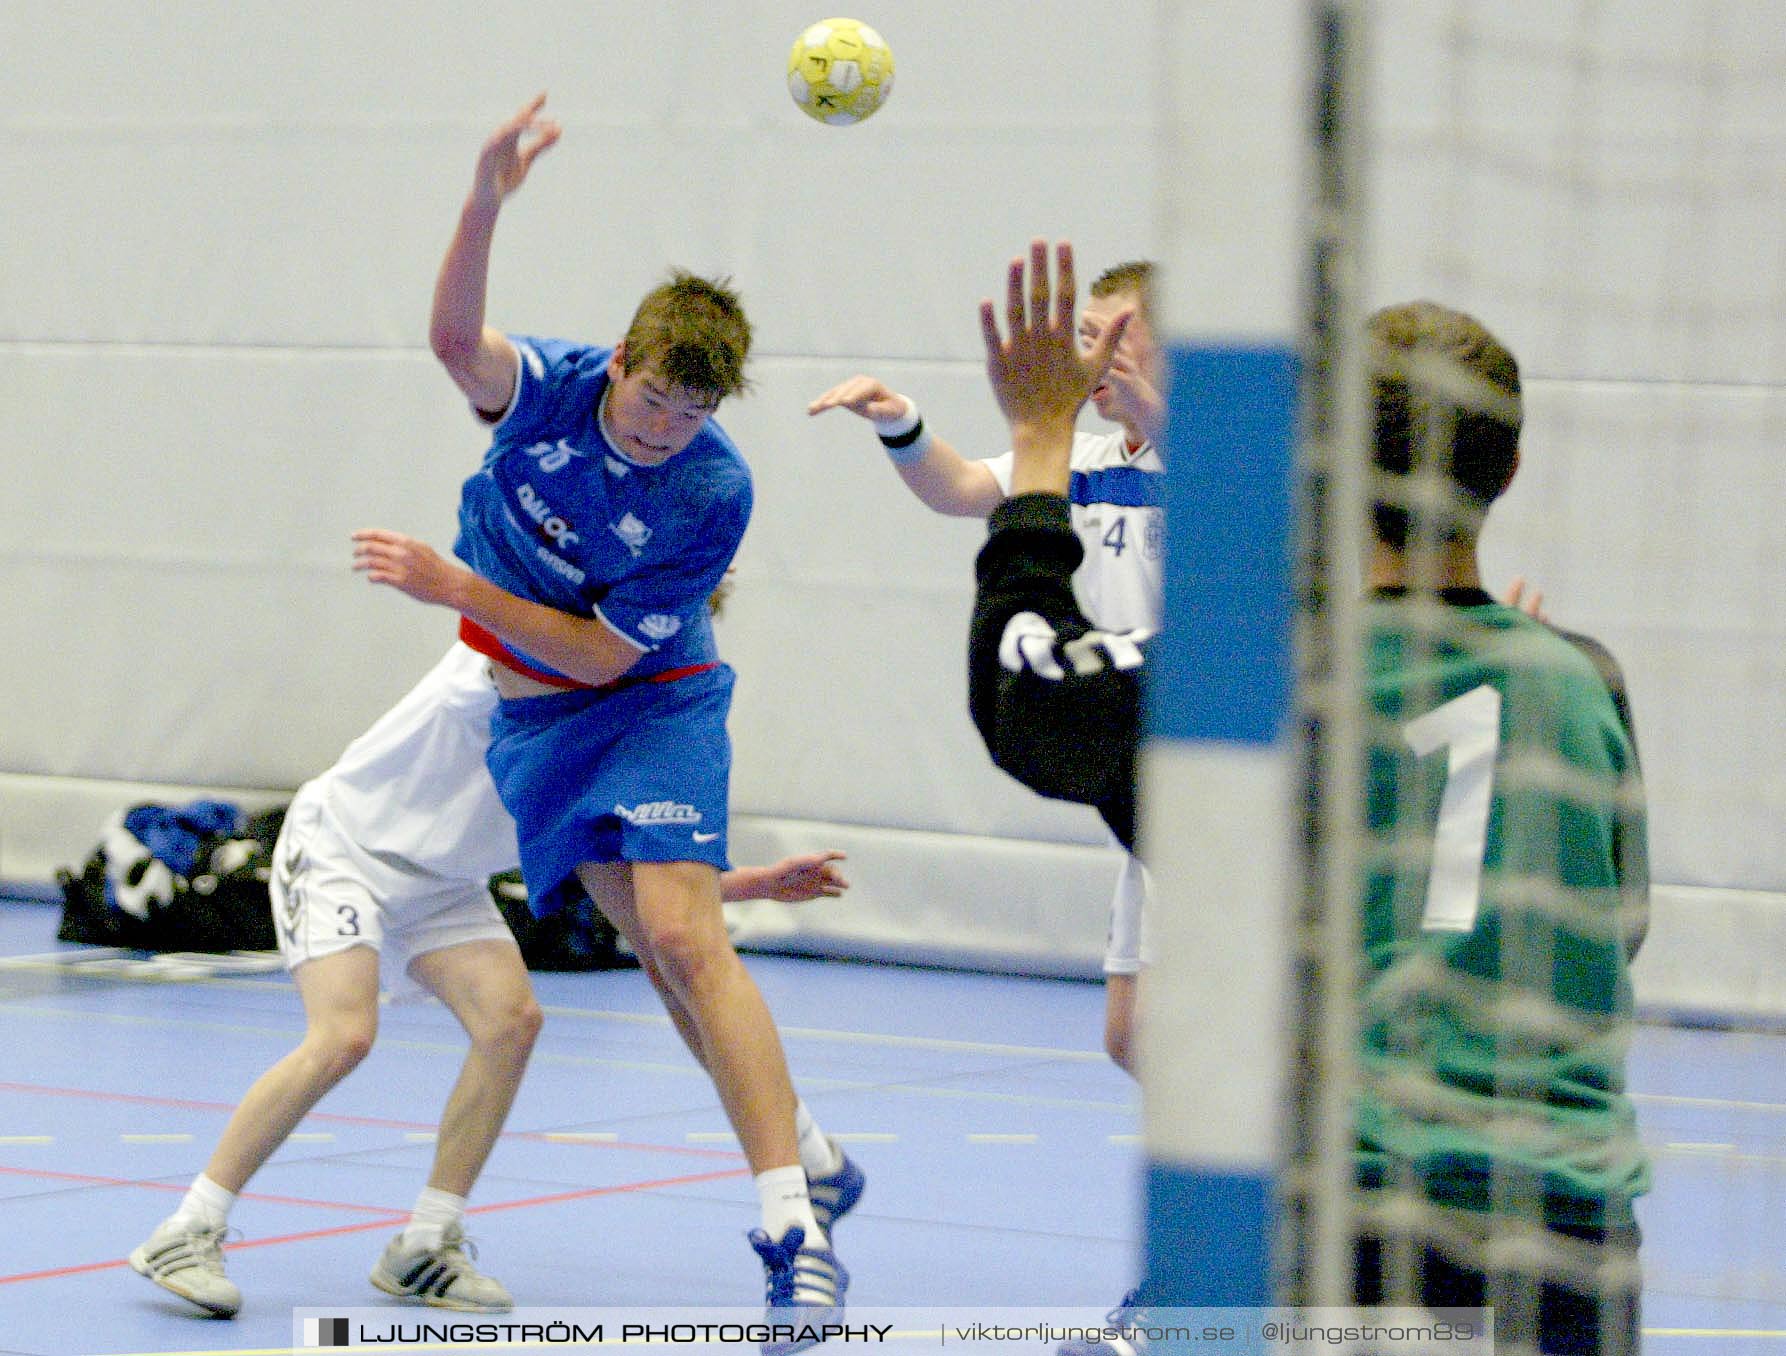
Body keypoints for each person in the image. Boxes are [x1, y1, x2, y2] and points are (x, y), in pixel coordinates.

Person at [130, 94, 860, 1333]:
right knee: (355, 1034)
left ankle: (443, 1240)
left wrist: (735, 885)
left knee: (552, 1002)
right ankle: (184, 1226)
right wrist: (482, 199)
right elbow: (457, 339)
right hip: (352, 846)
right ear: (619, 365)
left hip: (477, 848)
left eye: (692, 417)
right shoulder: (499, 644)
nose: (664, 431)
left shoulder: (696, 509)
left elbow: (608, 827)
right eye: (651, 404)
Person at [968, 242, 1649, 1355]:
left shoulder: (1259, 688)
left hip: (1357, 1211)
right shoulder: (1580, 680)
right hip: (1571, 1230)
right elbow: (1613, 934)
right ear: (1506, 473)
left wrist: (1042, 446)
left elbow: (1023, 682)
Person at [809, 260, 1163, 1076]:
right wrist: (897, 422)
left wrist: (1159, 413)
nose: (1094, 354)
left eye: (1117, 336)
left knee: (1166, 1034)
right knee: (1129, 1036)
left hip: (1202, 758)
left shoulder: (1220, 463)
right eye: (1085, 336)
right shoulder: (1079, 455)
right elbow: (964, 487)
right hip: (1126, 753)